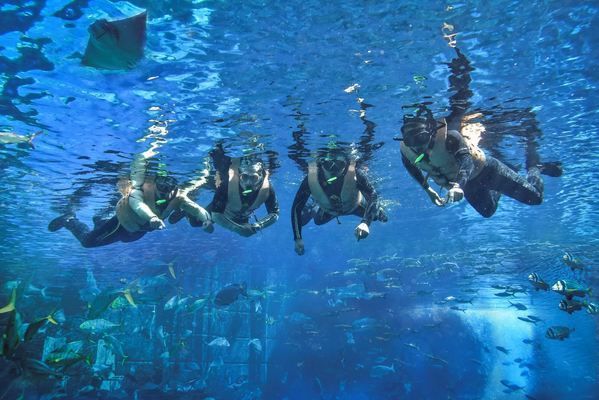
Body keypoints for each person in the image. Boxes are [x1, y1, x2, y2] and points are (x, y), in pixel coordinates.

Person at [397, 47, 562, 218]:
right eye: (413, 143)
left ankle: (535, 166)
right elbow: (411, 167)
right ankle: (509, 171)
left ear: (430, 133)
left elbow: (466, 161)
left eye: (422, 140)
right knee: (487, 211)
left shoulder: (450, 137)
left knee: (535, 198)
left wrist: (457, 186)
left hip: (487, 170)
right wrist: (429, 190)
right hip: (467, 184)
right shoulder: (407, 149)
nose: (420, 147)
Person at [48, 152, 213, 247]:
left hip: (136, 231)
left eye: (169, 186)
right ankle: (69, 220)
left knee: (125, 239)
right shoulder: (142, 188)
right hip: (122, 224)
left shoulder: (178, 196)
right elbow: (137, 204)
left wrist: (206, 220)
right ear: (155, 181)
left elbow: (195, 209)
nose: (165, 189)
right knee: (88, 242)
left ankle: (100, 219)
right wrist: (153, 217)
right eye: (162, 184)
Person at [290, 145, 387, 256]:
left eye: (339, 164)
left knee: (378, 217)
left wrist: (365, 223)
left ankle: (316, 204)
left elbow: (373, 195)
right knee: (315, 221)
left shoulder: (356, 174)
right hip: (329, 210)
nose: (333, 170)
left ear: (346, 164)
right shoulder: (311, 178)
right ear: (321, 164)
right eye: (328, 164)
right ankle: (315, 204)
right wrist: (297, 238)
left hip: (354, 205)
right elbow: (296, 208)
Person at [174, 143, 280, 237]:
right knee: (195, 222)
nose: (248, 183)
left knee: (244, 225)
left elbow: (274, 213)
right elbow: (216, 214)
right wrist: (237, 229)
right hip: (224, 206)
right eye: (245, 177)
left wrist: (258, 226)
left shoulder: (267, 188)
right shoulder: (227, 184)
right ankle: (186, 208)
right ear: (239, 176)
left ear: (261, 177)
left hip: (241, 214)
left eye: (253, 178)